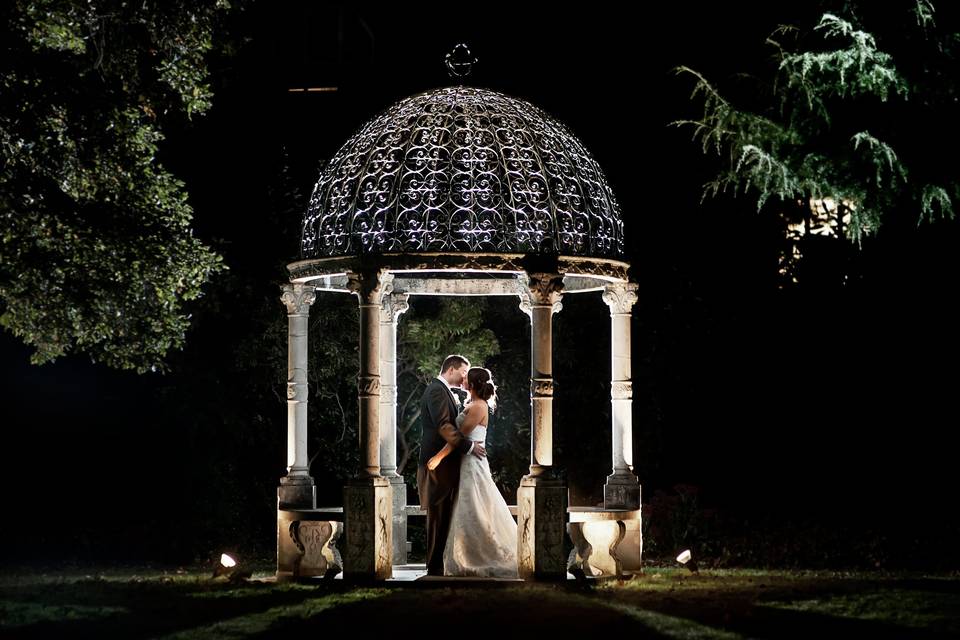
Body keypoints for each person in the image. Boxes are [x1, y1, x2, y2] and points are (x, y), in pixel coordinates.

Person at [428, 366, 518, 577]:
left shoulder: (478, 406)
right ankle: (468, 553)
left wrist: (437, 458)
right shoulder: (471, 404)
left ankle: (482, 555)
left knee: (475, 508)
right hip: (465, 462)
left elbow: (458, 437)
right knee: (470, 508)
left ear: (474, 384)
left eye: (467, 377)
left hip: (472, 464)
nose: (463, 379)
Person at [417, 355, 486, 576]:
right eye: (463, 372)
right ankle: (434, 568)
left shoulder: (443, 391)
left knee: (444, 515)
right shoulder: (437, 390)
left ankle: (439, 565)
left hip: (446, 463)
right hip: (437, 464)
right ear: (452, 369)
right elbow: (444, 427)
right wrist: (468, 446)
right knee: (438, 515)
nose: (465, 377)